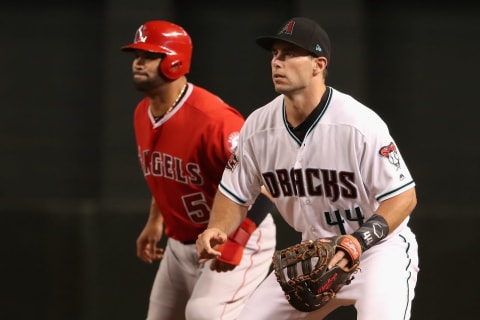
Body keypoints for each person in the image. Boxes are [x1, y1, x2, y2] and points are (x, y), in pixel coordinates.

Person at [196, 16, 419, 320]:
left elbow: (404, 197)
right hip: (313, 253)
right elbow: (234, 194)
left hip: (378, 251)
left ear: (318, 64)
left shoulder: (358, 124)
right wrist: (217, 229)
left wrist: (359, 241)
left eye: (289, 54)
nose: (277, 62)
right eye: (275, 54)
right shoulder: (258, 127)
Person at [121, 20, 277, 320]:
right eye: (136, 55)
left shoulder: (215, 120)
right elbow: (163, 176)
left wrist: (238, 239)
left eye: (149, 55)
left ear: (175, 61)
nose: (137, 63)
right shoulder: (143, 112)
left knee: (204, 314)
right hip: (181, 244)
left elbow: (266, 184)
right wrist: (155, 222)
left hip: (235, 236)